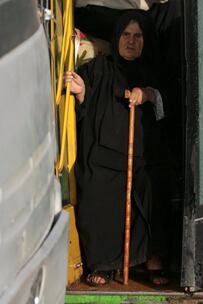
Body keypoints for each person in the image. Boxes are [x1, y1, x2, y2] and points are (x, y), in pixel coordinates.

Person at [64, 11, 168, 286]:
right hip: (103, 156)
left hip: (143, 155)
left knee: (151, 191)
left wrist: (147, 94)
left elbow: (169, 102)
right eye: (125, 35)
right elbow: (87, 99)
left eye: (138, 36)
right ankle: (103, 264)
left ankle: (149, 258)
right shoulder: (100, 68)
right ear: (117, 37)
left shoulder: (156, 70)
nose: (130, 42)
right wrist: (80, 90)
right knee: (98, 191)